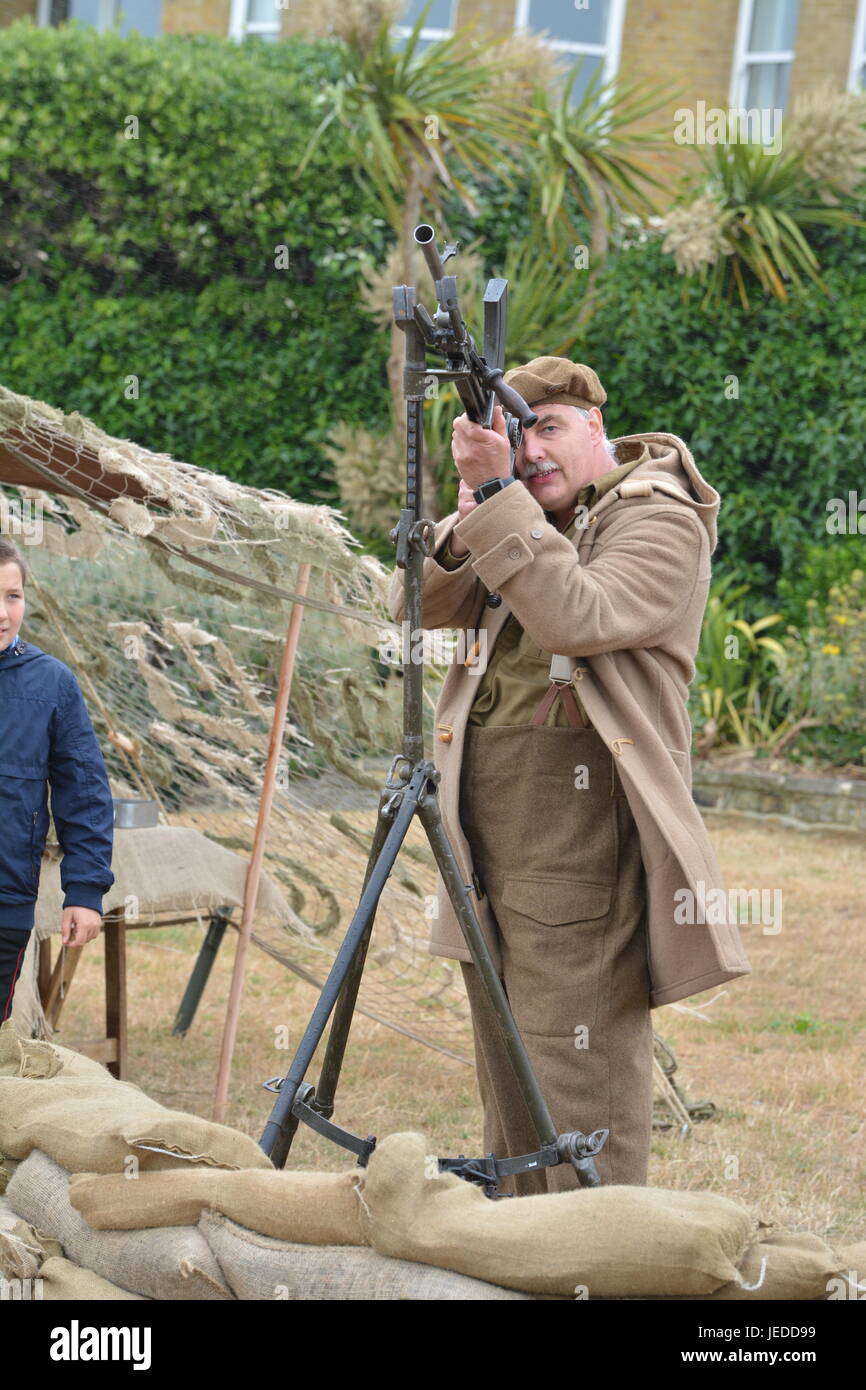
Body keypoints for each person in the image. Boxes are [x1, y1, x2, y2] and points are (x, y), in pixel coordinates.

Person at [387, 356, 751, 1195]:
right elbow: (412, 606)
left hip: (578, 826)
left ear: (598, 428)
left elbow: (576, 613)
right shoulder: (523, 513)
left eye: (548, 426)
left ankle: (597, 1249)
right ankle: (524, 1249)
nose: (533, 449)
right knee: (511, 1071)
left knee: (574, 1069)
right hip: (483, 819)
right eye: (518, 432)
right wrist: (476, 501)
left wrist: (500, 498)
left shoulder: (658, 519)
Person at [0, 536, 115, 1025]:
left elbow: (83, 792)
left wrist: (85, 893)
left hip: (5, 905)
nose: (4, 613)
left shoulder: (52, 683)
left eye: (12, 595)